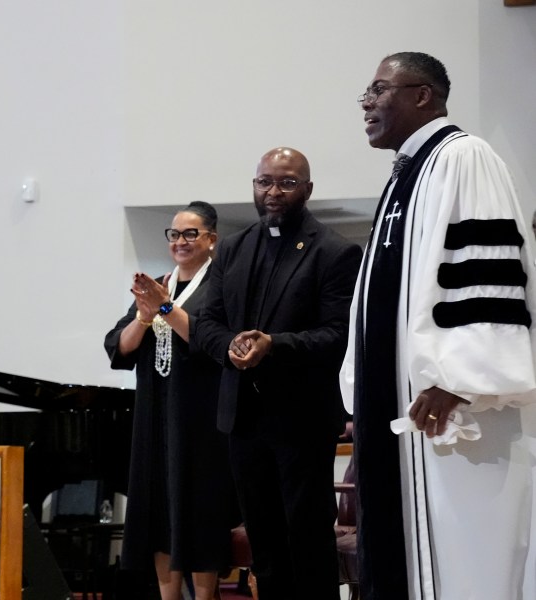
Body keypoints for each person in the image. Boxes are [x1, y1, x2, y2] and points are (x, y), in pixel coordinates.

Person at [343, 51, 536, 600]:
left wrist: (460, 376)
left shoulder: (463, 157)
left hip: (453, 410)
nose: (366, 103)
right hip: (402, 409)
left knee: (458, 561)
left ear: (423, 95)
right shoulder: (407, 174)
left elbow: (488, 276)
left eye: (379, 89)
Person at [195, 148, 361, 600]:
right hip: (242, 419)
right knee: (264, 542)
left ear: (307, 189)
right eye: (264, 181)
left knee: (306, 538)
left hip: (301, 421)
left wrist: (274, 345)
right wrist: (230, 347)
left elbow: (336, 335)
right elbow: (207, 323)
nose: (273, 191)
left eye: (286, 182)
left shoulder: (335, 251)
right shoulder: (232, 247)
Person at [105, 200, 237, 600]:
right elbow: (119, 349)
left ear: (211, 239)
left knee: (198, 511)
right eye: (175, 234)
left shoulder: (222, 287)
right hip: (154, 416)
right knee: (158, 511)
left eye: (191, 233)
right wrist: (144, 316)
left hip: (200, 420)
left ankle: (205, 594)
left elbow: (211, 341)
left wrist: (164, 306)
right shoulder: (159, 283)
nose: (181, 241)